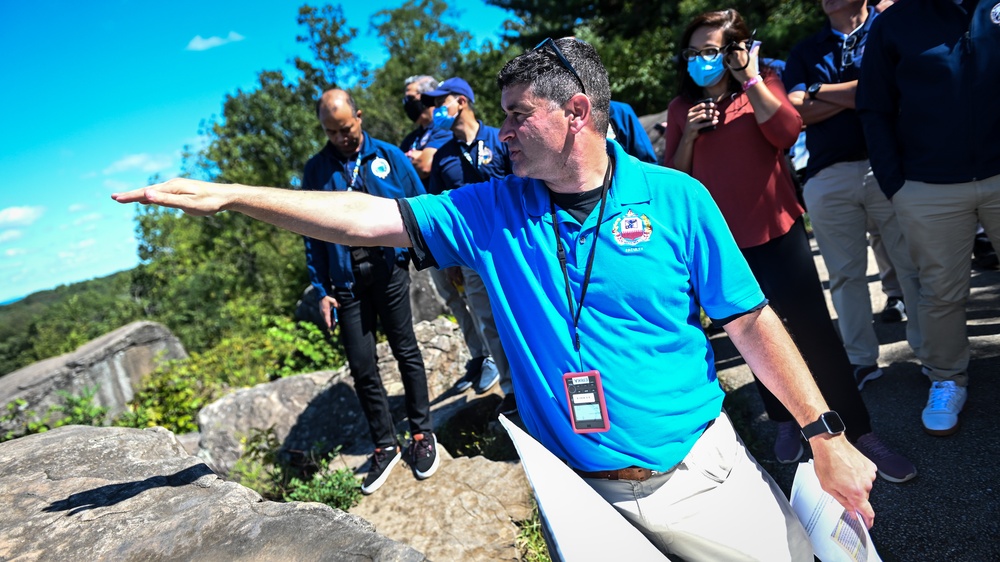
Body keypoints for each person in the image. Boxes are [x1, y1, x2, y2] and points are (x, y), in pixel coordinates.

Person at [112, 38, 877, 561]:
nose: (497, 130)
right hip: (581, 498)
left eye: (517, 115)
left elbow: (750, 322)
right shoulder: (491, 208)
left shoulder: (675, 199)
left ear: (576, 113)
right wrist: (233, 196)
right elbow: (362, 219)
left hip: (696, 472)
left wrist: (826, 436)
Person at [663, 9, 915, 483]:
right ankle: (784, 421)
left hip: (778, 231)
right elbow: (677, 179)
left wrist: (751, 78)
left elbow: (787, 132)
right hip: (725, 249)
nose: (702, 61)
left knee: (816, 336)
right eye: (694, 53)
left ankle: (860, 433)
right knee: (754, 340)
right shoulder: (681, 110)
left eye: (712, 50)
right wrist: (691, 134)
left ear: (736, 49)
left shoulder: (764, 84)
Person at [857, 0, 1000, 436]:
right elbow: (874, 106)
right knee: (939, 292)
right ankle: (946, 378)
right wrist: (895, 184)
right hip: (927, 186)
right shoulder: (897, 22)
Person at [301, 89, 438, 495]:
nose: (341, 137)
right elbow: (310, 234)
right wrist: (321, 289)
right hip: (346, 282)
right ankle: (385, 443)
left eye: (345, 128)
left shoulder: (390, 157)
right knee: (362, 366)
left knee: (405, 350)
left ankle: (422, 433)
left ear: (359, 117)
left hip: (388, 271)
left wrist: (422, 253)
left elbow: (421, 204)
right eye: (331, 132)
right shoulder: (316, 170)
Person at [782, 0, 922, 393]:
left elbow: (890, 89)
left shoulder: (891, 26)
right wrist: (862, 94)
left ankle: (932, 355)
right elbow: (796, 110)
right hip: (827, 174)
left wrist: (818, 90)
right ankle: (861, 360)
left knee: (912, 267)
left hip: (891, 168)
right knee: (845, 276)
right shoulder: (805, 49)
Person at [423, 77, 516, 413]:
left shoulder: (501, 138)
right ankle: (510, 390)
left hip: (509, 247)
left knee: (521, 313)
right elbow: (438, 210)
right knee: (486, 320)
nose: (434, 109)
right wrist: (446, 261)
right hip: (469, 254)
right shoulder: (443, 156)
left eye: (440, 101)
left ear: (461, 101)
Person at [400, 75, 493, 391]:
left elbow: (425, 166)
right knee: (454, 298)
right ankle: (479, 356)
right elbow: (413, 171)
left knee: (482, 299)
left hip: (477, 235)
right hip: (437, 232)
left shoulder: (445, 133)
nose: (418, 104)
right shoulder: (414, 139)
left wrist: (417, 160)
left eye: (420, 97)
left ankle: (495, 359)